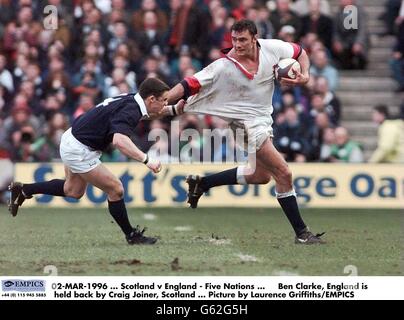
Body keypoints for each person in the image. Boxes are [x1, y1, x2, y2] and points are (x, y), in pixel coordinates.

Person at [168, 19, 325, 244]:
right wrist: (166, 98)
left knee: (260, 176)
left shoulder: (272, 48)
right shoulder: (224, 65)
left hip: (262, 119)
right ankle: (302, 233)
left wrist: (306, 75)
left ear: (254, 39)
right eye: (234, 39)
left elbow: (300, 52)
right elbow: (189, 84)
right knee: (284, 173)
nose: (237, 45)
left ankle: (202, 184)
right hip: (243, 124)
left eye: (242, 40)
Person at [8, 78, 185, 245]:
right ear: (151, 98)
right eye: (163, 100)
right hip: (79, 148)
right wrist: (147, 160)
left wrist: (174, 110)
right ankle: (131, 235)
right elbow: (119, 141)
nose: (164, 104)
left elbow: (144, 115)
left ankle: (23, 190)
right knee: (116, 189)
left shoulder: (133, 99)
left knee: (73, 190)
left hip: (74, 138)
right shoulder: (132, 109)